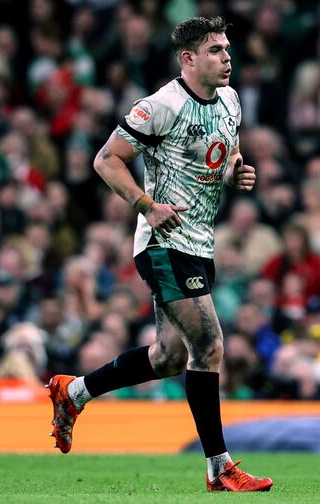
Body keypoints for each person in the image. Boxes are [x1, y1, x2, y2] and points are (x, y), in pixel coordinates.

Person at [46, 17, 272, 492]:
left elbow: (224, 154)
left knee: (170, 357)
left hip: (199, 243)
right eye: (215, 50)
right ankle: (219, 468)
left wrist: (235, 174)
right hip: (163, 244)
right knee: (209, 344)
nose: (227, 57)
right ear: (188, 59)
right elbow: (106, 159)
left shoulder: (230, 100)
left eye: (227, 49)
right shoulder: (160, 106)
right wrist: (147, 206)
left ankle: (74, 392)